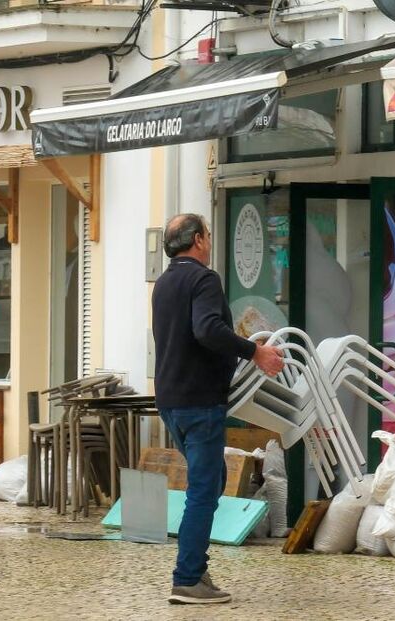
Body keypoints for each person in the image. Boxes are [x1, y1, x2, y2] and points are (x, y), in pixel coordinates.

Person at [152, 213, 283, 605]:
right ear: (198, 240)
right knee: (204, 492)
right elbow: (207, 329)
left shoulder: (164, 283)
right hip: (199, 401)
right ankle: (188, 578)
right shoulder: (203, 279)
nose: (209, 241)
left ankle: (197, 569)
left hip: (171, 401)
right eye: (208, 234)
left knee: (207, 480)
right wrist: (255, 351)